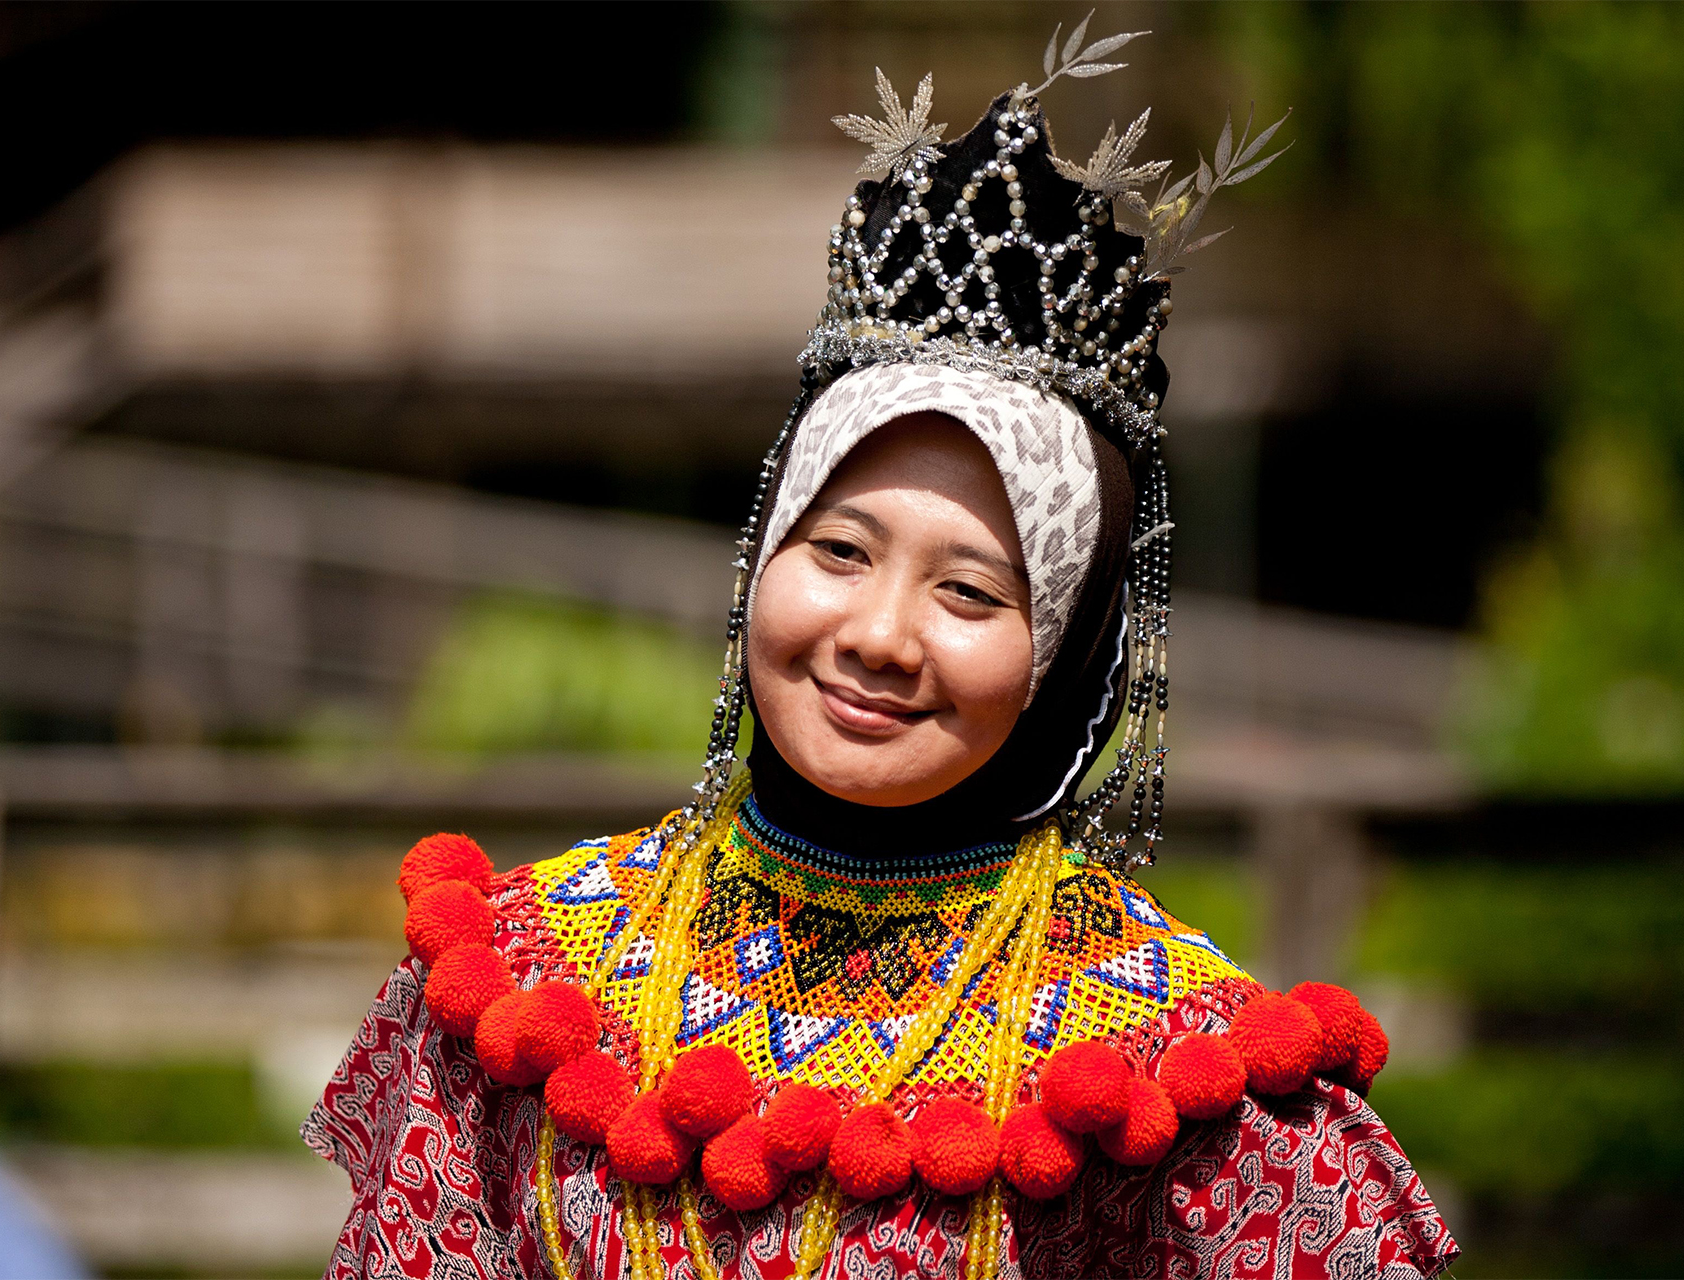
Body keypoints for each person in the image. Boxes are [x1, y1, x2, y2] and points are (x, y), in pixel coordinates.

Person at [305, 21, 1457, 1280]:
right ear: (763, 558)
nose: (878, 635)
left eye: (968, 591)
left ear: (1068, 654)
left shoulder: (1179, 1074)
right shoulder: (520, 985)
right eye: (841, 550)